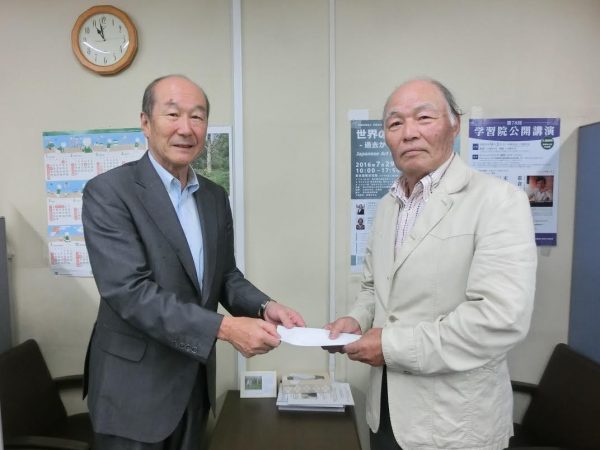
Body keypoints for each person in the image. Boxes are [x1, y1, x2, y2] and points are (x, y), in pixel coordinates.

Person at [82, 74, 305, 450]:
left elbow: (225, 276)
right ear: (145, 123)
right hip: (132, 394)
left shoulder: (213, 196)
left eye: (197, 117)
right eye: (173, 114)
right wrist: (226, 328)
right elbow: (130, 292)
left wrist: (265, 306)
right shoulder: (109, 192)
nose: (186, 128)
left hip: (194, 387)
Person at [326, 78, 537, 450]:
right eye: (395, 123)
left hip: (453, 424)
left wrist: (390, 346)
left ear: (455, 125)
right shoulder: (389, 205)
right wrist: (356, 320)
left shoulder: (499, 200)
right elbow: (375, 288)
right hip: (385, 414)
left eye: (423, 118)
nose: (409, 133)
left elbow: (499, 319)